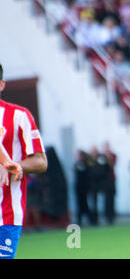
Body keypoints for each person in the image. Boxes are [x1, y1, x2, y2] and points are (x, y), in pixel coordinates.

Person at [0, 63, 48, 259]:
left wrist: (17, 165)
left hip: (7, 213)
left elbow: (40, 161)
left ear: (1, 85)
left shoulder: (18, 116)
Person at [73, 150, 93, 226]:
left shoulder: (86, 163)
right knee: (79, 203)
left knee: (86, 203)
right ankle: (80, 219)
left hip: (85, 186)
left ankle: (90, 219)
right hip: (78, 187)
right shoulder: (76, 164)